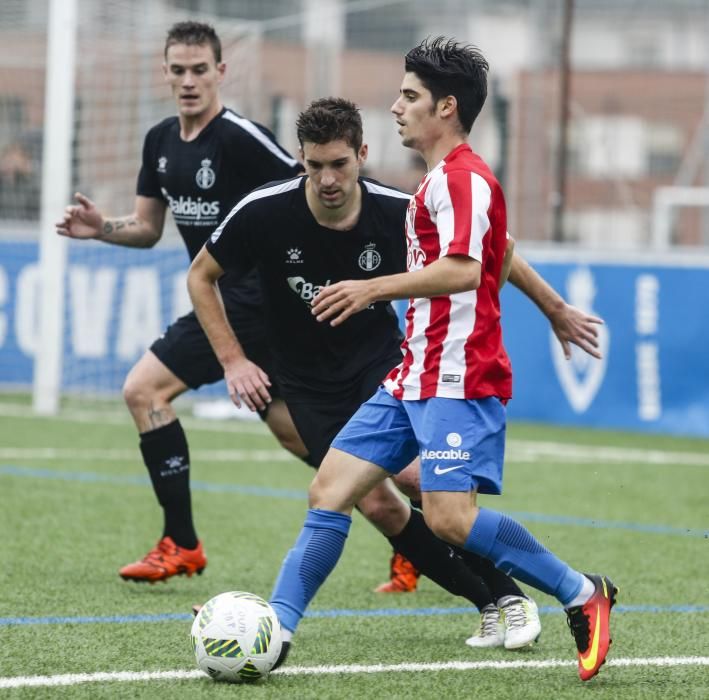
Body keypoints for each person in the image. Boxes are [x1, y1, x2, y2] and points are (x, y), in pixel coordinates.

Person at [220, 39, 617, 681]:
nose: (396, 106)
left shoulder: (464, 179)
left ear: (447, 107)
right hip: (412, 376)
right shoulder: (435, 181)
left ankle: (579, 592)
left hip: (459, 378)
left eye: (409, 96)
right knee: (330, 489)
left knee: (449, 520)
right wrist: (554, 309)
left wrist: (369, 288)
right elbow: (495, 254)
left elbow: (464, 270)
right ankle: (276, 631)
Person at [188, 97, 549, 651]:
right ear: (300, 162)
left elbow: (492, 249)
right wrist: (234, 361)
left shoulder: (398, 208)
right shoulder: (263, 210)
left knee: (412, 479)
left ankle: (512, 595)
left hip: (381, 362)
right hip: (306, 378)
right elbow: (200, 276)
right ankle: (491, 602)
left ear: (361, 154)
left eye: (339, 164)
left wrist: (556, 309)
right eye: (314, 166)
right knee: (376, 505)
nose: (327, 179)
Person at [55, 21, 307, 583]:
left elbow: (309, 191)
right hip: (224, 301)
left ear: (221, 72)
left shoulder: (241, 136)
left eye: (200, 70)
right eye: (179, 70)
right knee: (296, 433)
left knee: (144, 389)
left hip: (262, 302)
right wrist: (102, 228)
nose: (189, 81)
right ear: (164, 73)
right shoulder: (160, 141)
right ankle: (406, 519)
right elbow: (147, 228)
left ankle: (182, 542)